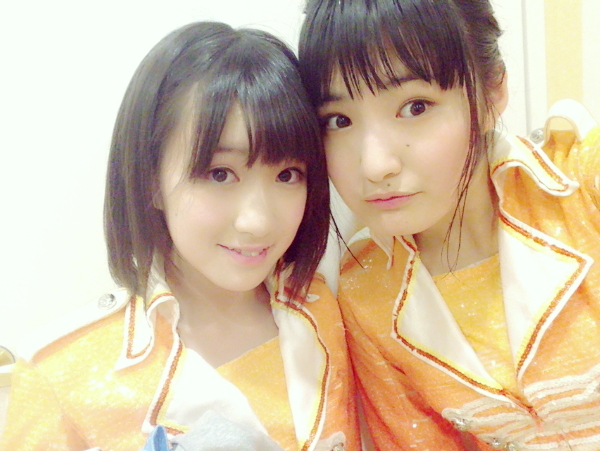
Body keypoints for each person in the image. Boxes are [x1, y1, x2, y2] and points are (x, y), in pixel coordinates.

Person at [1, 21, 359, 451]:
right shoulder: (60, 373)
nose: (258, 222)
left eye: (287, 175)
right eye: (220, 173)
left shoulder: (325, 313)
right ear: (150, 179)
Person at [298, 0, 600, 450]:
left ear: (492, 91)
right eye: (338, 121)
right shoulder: (369, 291)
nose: (375, 165)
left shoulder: (583, 185)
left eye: (415, 106)